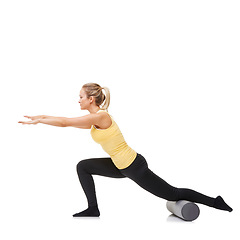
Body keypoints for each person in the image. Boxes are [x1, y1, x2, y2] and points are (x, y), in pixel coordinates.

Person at [19, 83, 233, 217]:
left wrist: (40, 120)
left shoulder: (101, 116)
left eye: (81, 97)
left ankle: (215, 202)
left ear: (91, 99)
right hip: (119, 166)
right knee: (83, 166)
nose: (78, 100)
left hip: (133, 166)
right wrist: (40, 118)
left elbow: (65, 122)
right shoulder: (93, 121)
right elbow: (65, 122)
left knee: (172, 193)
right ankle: (93, 209)